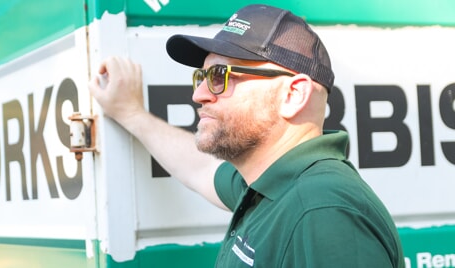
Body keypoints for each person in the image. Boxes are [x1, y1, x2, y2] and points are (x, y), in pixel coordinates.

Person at [89, 4, 405, 268]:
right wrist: (130, 113)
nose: (199, 94)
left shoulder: (323, 212)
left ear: (294, 95)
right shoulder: (267, 185)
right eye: (201, 76)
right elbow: (199, 169)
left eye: (219, 76)